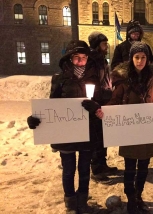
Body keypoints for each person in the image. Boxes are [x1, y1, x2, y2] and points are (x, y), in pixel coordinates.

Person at [27, 40, 103, 214]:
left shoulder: (94, 79)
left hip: (87, 133)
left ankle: (82, 201)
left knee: (84, 170)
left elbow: (102, 104)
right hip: (66, 135)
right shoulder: (59, 80)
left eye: (84, 58)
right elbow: (52, 106)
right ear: (69, 59)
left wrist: (95, 106)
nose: (80, 61)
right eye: (77, 57)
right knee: (69, 170)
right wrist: (35, 119)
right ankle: (70, 202)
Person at [98, 41, 153, 214]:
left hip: (147, 131)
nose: (140, 60)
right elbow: (115, 101)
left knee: (143, 167)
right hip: (129, 131)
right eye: (136, 57)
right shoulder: (123, 81)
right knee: (129, 168)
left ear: (147, 59)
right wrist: (104, 111)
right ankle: (130, 198)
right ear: (131, 59)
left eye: (143, 57)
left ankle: (139, 196)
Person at [88, 31, 118, 183]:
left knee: (104, 136)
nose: (107, 46)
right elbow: (94, 83)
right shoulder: (92, 61)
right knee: (97, 137)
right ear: (97, 45)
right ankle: (97, 169)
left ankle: (102, 164)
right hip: (97, 103)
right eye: (104, 44)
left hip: (104, 101)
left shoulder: (101, 60)